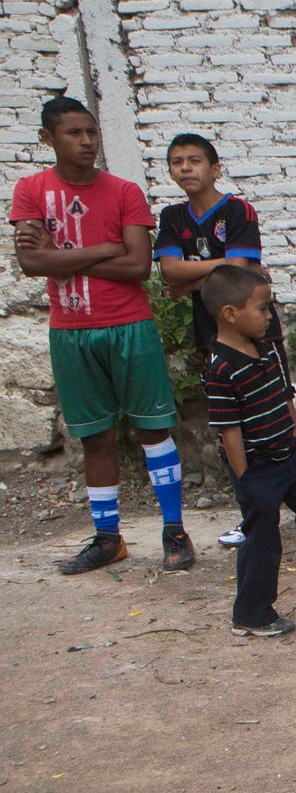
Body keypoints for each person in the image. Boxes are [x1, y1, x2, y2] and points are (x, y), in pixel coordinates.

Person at [9, 96, 193, 574]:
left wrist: (61, 256)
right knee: (95, 438)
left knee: (154, 430)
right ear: (47, 138)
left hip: (130, 325)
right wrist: (105, 248)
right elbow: (30, 262)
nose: (88, 141)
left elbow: (137, 267)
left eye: (91, 132)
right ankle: (108, 539)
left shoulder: (124, 191)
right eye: (74, 133)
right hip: (70, 331)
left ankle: (175, 531)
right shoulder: (31, 189)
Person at [199, 265, 296, 635]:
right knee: (263, 539)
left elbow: (284, 397)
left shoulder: (267, 349)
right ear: (230, 313)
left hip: (291, 454)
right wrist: (246, 480)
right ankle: (252, 614)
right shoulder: (220, 369)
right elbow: (229, 430)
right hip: (256, 466)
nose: (269, 317)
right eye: (263, 309)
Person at [154, 132, 281, 550]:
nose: (185, 168)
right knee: (231, 426)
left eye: (194, 160)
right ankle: (253, 513)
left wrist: (191, 280)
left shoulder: (237, 210)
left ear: (215, 169)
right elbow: (169, 272)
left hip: (256, 329)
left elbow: (240, 271)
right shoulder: (173, 216)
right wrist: (222, 269)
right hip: (210, 335)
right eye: (177, 162)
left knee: (280, 412)